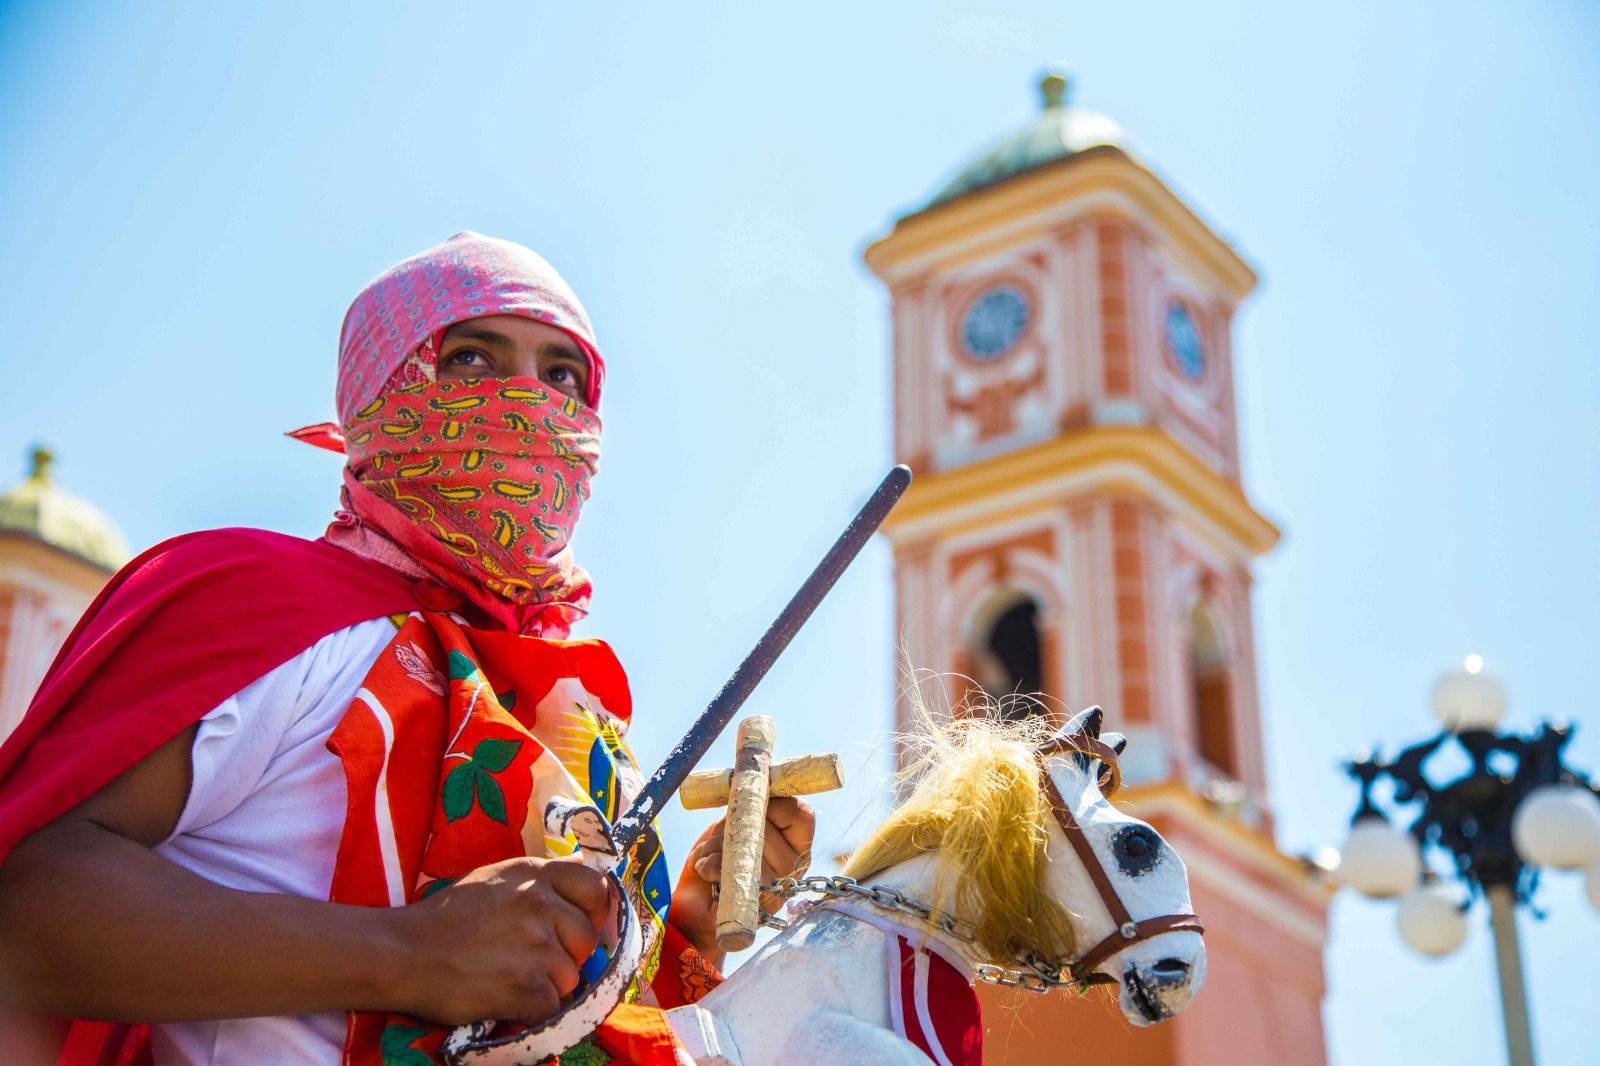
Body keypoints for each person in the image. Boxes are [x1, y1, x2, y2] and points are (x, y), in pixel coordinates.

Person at [0, 232, 815, 1066]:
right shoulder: (251, 596)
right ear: (375, 396)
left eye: (562, 375)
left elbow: (567, 1027)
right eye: (471, 359)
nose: (528, 401)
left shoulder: (575, 705)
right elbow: (23, 905)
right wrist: (410, 953)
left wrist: (688, 928)